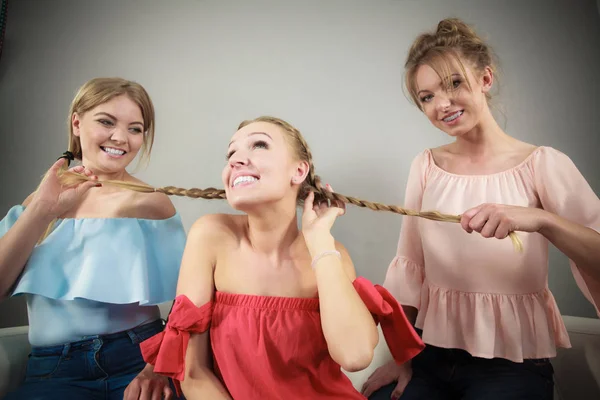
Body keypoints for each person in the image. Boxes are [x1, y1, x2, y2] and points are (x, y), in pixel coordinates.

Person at [361, 18, 600, 400]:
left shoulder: (542, 163)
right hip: (428, 356)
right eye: (426, 97)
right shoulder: (425, 165)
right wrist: (401, 359)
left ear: (485, 79)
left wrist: (540, 220)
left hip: (512, 366)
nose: (442, 104)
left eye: (454, 83)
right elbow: (410, 266)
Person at [138, 116, 426, 399]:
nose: (236, 160)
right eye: (231, 153)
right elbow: (193, 373)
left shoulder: (330, 253)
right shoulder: (211, 235)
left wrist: (320, 242)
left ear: (299, 171)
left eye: (259, 145)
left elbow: (355, 356)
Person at [0, 77, 187, 400]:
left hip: (138, 363)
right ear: (76, 122)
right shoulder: (37, 204)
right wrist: (43, 211)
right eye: (106, 121)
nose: (120, 138)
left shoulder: (150, 203)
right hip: (53, 372)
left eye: (135, 128)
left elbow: (188, 301)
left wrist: (157, 364)